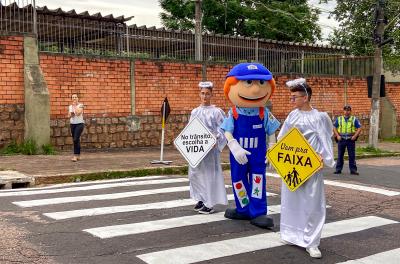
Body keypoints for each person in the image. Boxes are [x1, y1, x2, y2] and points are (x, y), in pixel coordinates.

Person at [278, 78, 335, 258]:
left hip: (311, 167)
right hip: (292, 164)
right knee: (291, 201)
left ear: (306, 97)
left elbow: (325, 139)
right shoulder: (292, 115)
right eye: (292, 97)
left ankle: (312, 241)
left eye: (294, 97)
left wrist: (324, 157)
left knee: (312, 204)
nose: (292, 100)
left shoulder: (319, 117)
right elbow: (283, 137)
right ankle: (291, 235)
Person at [220, 63, 280, 228]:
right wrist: (233, 145)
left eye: (261, 83)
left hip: (258, 154)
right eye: (248, 83)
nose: (255, 90)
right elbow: (227, 131)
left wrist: (272, 149)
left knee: (258, 180)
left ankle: (258, 212)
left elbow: (271, 132)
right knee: (238, 180)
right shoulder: (233, 112)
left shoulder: (263, 112)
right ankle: (243, 208)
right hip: (238, 154)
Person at [188, 81, 228, 214]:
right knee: (195, 173)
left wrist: (216, 139)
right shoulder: (195, 112)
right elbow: (190, 130)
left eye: (207, 94)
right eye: (203, 93)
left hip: (210, 150)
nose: (205, 97)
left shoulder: (216, 112)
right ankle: (200, 198)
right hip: (197, 150)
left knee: (209, 174)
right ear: (199, 94)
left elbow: (223, 129)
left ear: (212, 95)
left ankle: (209, 203)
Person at [333, 105, 362, 175]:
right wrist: (337, 135)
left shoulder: (354, 119)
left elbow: (359, 127)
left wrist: (355, 136)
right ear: (343, 111)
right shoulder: (339, 119)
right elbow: (334, 127)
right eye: (345, 110)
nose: (347, 112)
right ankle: (338, 169)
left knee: (352, 155)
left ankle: (353, 170)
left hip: (350, 140)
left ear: (350, 111)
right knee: (340, 155)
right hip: (341, 139)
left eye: (348, 110)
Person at [68, 94, 85, 162]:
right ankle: (78, 155)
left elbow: (78, 113)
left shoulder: (81, 105)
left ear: (78, 98)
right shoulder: (70, 106)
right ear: (71, 99)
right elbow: (69, 115)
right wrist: (70, 114)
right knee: (76, 139)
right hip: (72, 124)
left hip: (79, 124)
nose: (74, 98)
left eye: (75, 97)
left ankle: (75, 156)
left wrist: (74, 106)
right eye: (73, 97)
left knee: (75, 139)